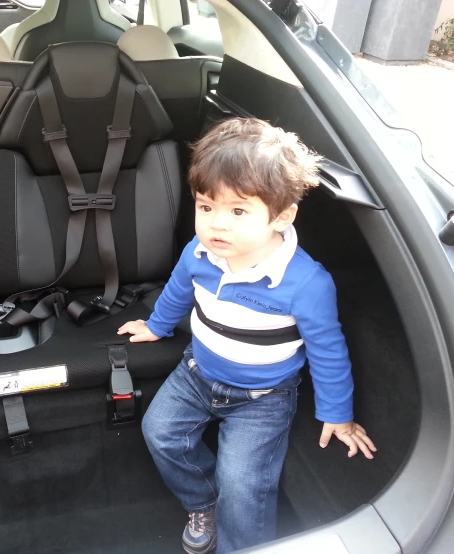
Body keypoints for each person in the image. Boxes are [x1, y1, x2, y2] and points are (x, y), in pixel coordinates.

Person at [117, 118, 377, 554]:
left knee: (243, 483)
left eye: (238, 211)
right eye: (205, 207)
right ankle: (203, 503)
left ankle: (242, 545)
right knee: (159, 433)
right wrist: (156, 326)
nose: (218, 225)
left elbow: (329, 352)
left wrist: (339, 414)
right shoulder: (199, 252)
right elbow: (179, 292)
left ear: (281, 216)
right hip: (196, 373)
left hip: (264, 397)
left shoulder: (306, 283)